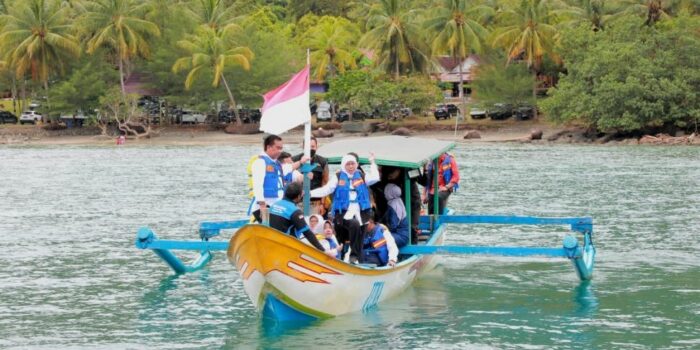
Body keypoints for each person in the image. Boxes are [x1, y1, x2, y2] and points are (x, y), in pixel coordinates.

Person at [310, 152, 379, 263]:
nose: (351, 166)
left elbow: (375, 178)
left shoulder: (361, 175)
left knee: (360, 237)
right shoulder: (337, 177)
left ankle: (358, 261)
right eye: (348, 164)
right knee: (353, 225)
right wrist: (310, 193)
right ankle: (347, 257)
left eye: (353, 164)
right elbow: (326, 190)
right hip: (343, 214)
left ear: (356, 164)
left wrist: (372, 162)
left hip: (362, 213)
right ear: (343, 165)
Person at [250, 134, 308, 223]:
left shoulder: (276, 164)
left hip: (276, 206)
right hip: (265, 206)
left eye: (281, 148)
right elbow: (258, 185)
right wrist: (262, 205)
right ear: (269, 147)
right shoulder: (260, 162)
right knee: (270, 229)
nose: (280, 151)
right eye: (278, 148)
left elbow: (289, 168)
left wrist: (301, 162)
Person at [269, 182, 336, 257]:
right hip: (287, 249)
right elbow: (307, 233)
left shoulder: (274, 205)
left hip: (273, 245)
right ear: (298, 197)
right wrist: (324, 251)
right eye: (301, 194)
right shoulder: (295, 211)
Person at [292, 136, 329, 215]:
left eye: (313, 147)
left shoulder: (323, 161)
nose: (310, 149)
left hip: (316, 202)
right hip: (297, 202)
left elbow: (325, 183)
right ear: (303, 147)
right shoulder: (294, 160)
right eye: (308, 147)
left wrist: (322, 204)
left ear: (316, 147)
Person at [381, 183, 409, 248]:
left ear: (389, 192)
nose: (385, 193)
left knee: (378, 239)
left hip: (400, 236)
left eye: (386, 191)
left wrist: (383, 228)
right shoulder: (396, 201)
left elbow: (393, 225)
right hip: (399, 234)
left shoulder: (394, 205)